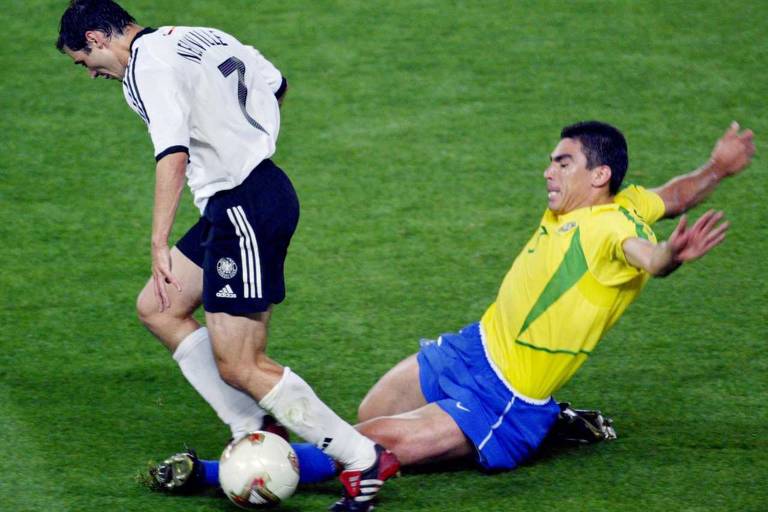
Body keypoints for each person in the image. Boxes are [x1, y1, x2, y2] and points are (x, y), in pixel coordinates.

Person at [152, 120, 754, 495]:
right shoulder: (621, 202)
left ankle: (215, 473)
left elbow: (646, 254)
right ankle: (555, 425)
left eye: (562, 161)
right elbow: (673, 196)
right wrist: (719, 169)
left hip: (507, 397)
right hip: (474, 346)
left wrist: (672, 257)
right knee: (368, 410)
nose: (548, 170)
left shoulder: (611, 232)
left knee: (373, 443)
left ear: (599, 175)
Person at [55, 1, 398, 510]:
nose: (91, 74)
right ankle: (252, 425)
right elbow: (276, 83)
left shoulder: (144, 65)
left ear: (97, 39)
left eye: (84, 62)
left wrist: (157, 239)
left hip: (245, 207)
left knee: (241, 362)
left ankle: (362, 458)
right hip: (243, 200)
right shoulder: (199, 35)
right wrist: (242, 136)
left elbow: (172, 152)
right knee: (159, 306)